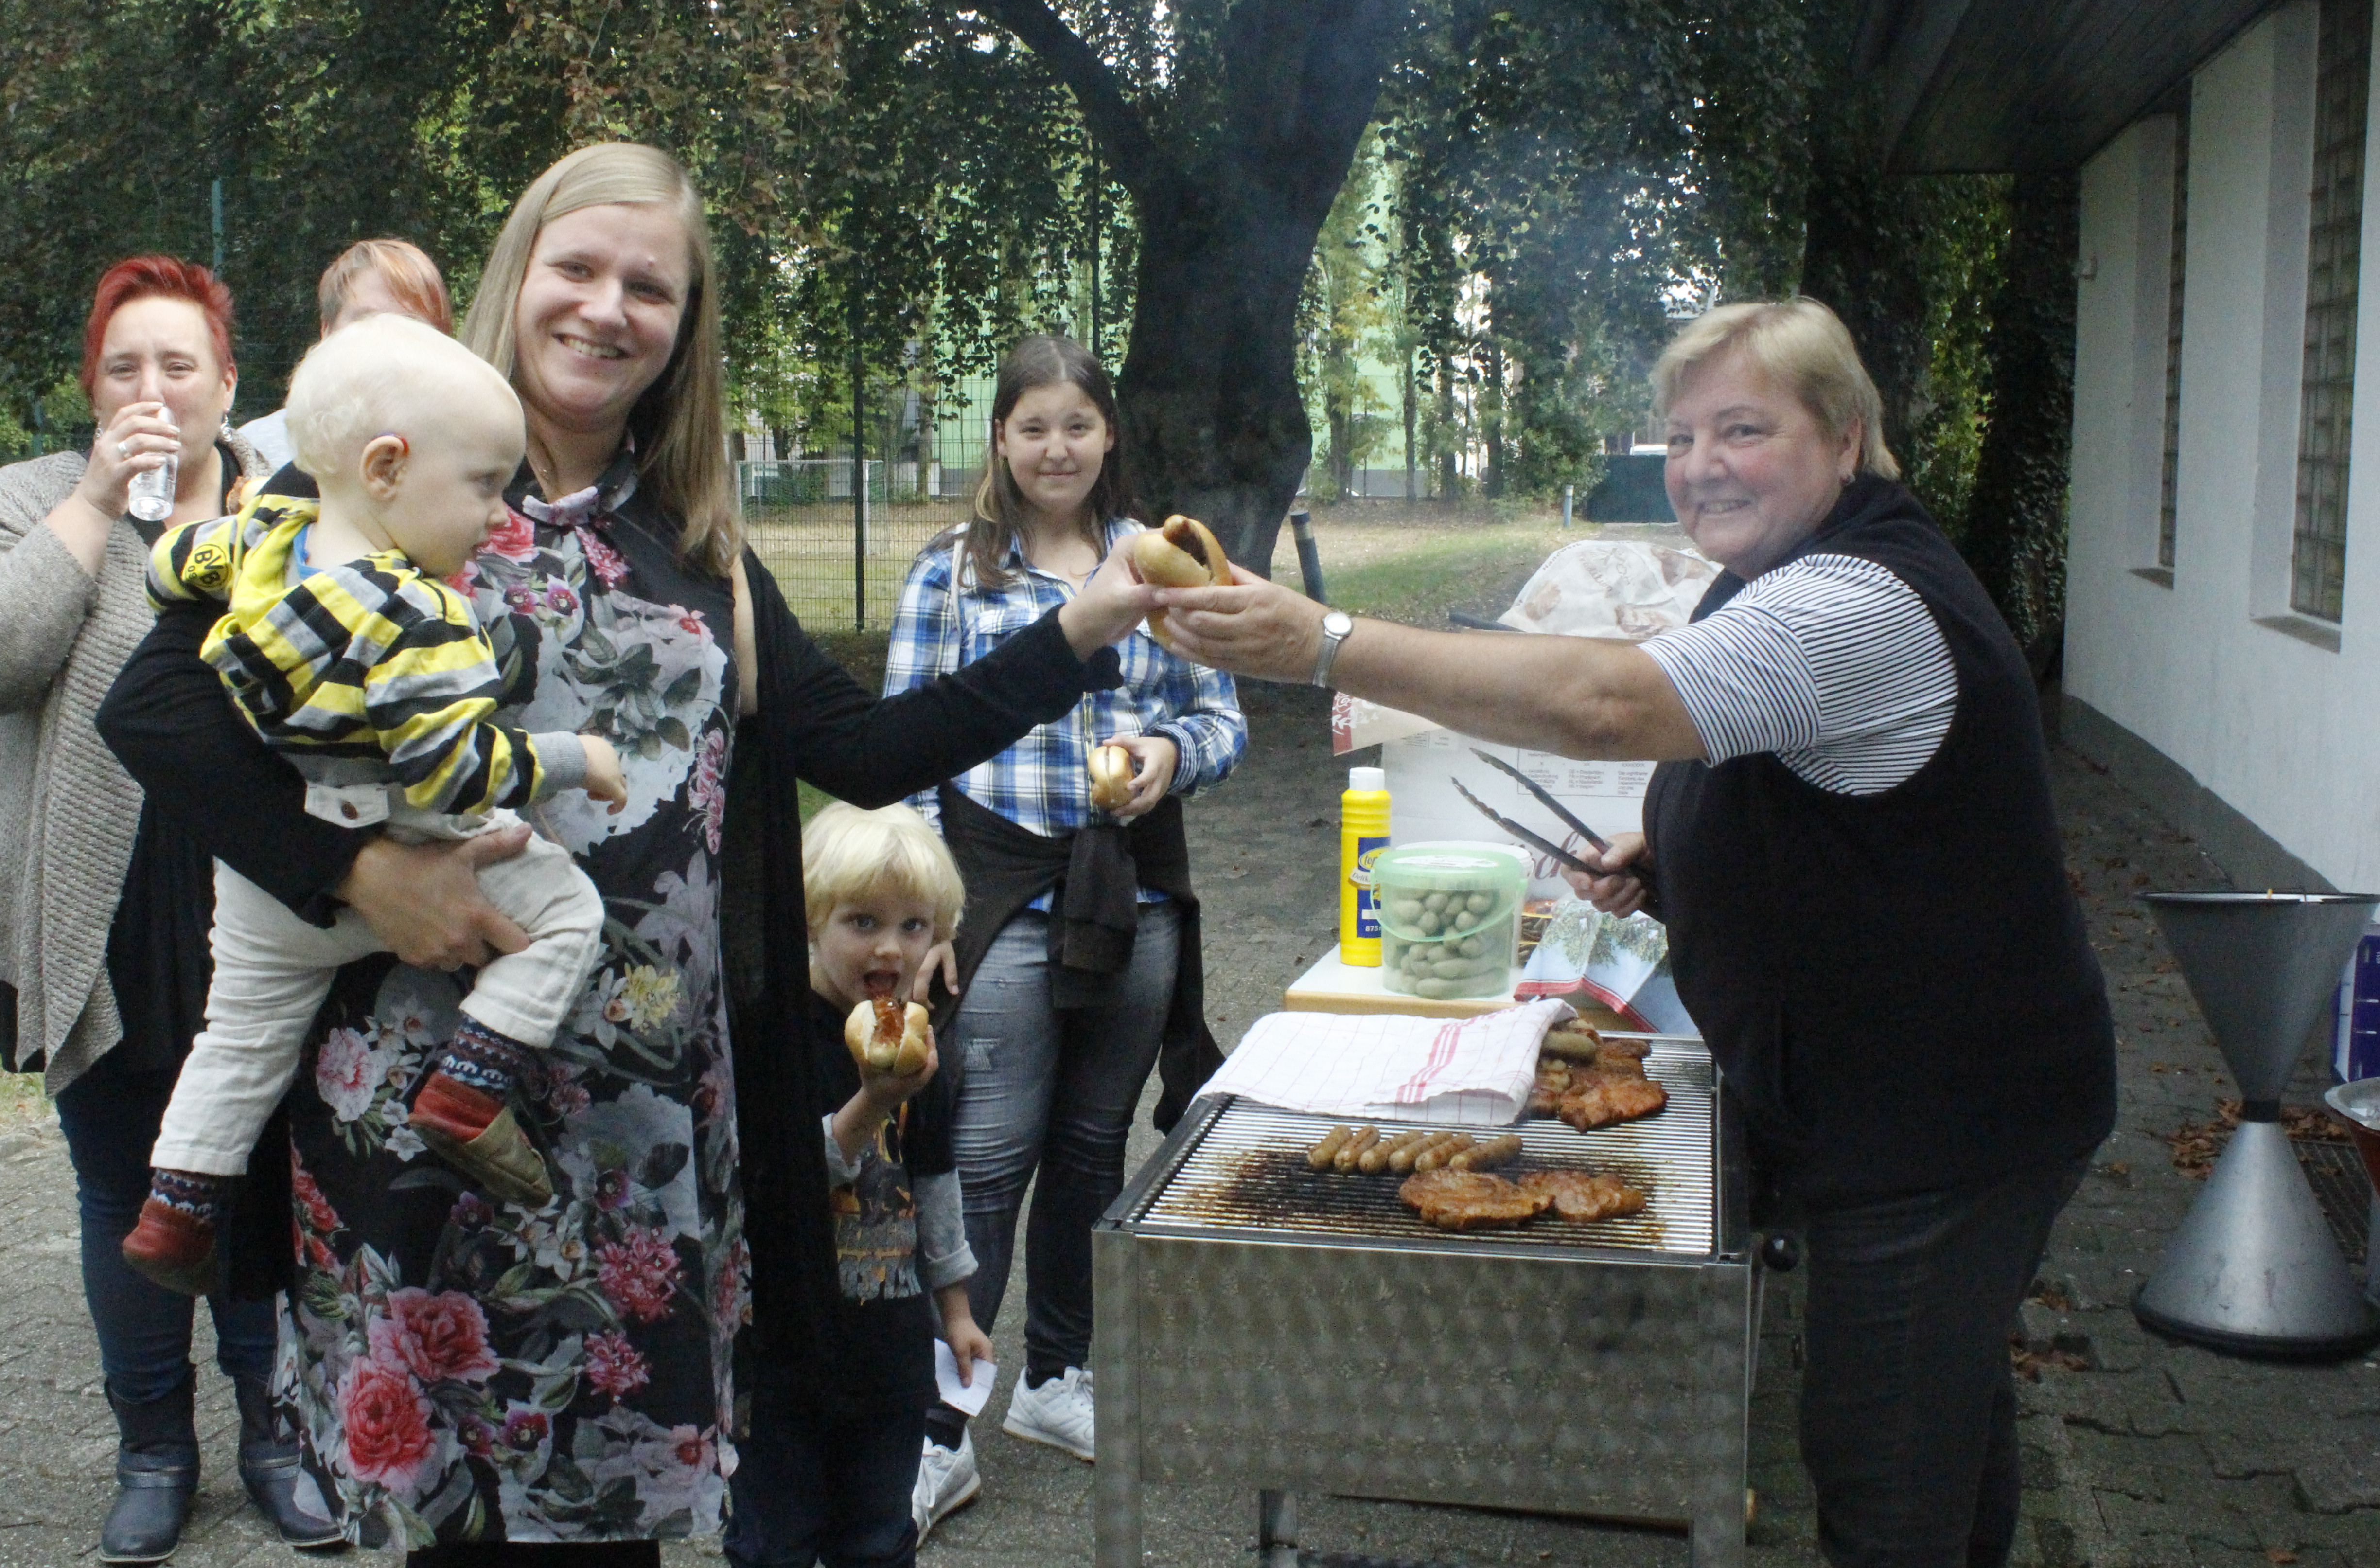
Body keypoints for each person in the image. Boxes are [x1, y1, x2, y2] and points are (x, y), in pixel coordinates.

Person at [95, 143, 1156, 1564]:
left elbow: (868, 750)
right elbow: (155, 709)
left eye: (649, 287)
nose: (607, 308)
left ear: (684, 327)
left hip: (641, 1151)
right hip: (421, 1119)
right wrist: (354, 874)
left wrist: (1088, 622)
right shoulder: (380, 476)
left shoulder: (697, 545)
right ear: (517, 275)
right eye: (578, 268)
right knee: (456, 1532)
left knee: (611, 1534)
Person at [1150, 297, 2116, 1568]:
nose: (1703, 464)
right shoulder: (1787, 570)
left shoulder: (1858, 601)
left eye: (1745, 429)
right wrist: (1672, 858)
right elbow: (1808, 776)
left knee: (1884, 1475)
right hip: (1914, 1100)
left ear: (1845, 436)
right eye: (1683, 435)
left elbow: (1608, 705)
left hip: (1940, 1129)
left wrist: (1321, 642)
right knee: (1945, 1423)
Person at [0, 255, 338, 1563]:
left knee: (264, 1179)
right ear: (92, 386)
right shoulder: (28, 499)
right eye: (123, 366)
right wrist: (98, 501)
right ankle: (153, 1447)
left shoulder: (304, 507)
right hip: (97, 918)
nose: (152, 388)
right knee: (125, 1190)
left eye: (178, 363)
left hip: (270, 907)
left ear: (229, 381)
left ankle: (280, 1438)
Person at [119, 317, 630, 1297]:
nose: (497, 515)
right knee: (569, 914)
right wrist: (579, 759)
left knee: (240, 1038)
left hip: (274, 880)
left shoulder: (264, 535)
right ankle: (470, 1087)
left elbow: (168, 570)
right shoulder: (422, 614)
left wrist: (184, 566)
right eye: (482, 485)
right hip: (401, 831)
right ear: (387, 467)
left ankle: (176, 1210)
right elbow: (453, 773)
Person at [883, 332, 1244, 1519]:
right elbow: (902, 747)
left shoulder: (1162, 566)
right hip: (995, 896)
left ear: (1108, 435)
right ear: (1000, 438)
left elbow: (1223, 718)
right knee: (983, 1160)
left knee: (1093, 1148)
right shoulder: (952, 574)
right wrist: (918, 915)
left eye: (1076, 426)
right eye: (1032, 427)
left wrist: (1170, 753)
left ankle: (1054, 1375)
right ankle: (938, 1424)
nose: (1055, 448)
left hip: (1131, 892)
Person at [723, 801, 991, 1568]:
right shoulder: (773, 1033)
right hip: (780, 1354)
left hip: (888, 1353)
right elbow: (775, 1183)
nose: (890, 947)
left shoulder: (914, 1036)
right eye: (863, 922)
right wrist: (872, 1102)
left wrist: (957, 1310)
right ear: (811, 920)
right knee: (774, 1543)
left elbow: (934, 1181)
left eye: (915, 926)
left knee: (879, 1538)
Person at [235, 237, 457, 467]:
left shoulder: (464, 451)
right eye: (368, 321)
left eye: (409, 325)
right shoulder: (257, 451)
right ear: (327, 331)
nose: (386, 339)